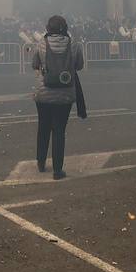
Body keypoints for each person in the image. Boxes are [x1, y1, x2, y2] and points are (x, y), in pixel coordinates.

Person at [32, 15, 85, 179]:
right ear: (65, 27)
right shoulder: (74, 44)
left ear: (48, 27)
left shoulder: (41, 43)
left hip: (44, 93)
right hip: (65, 93)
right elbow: (79, 66)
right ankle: (57, 170)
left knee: (43, 128)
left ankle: (41, 162)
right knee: (59, 130)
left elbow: (34, 64)